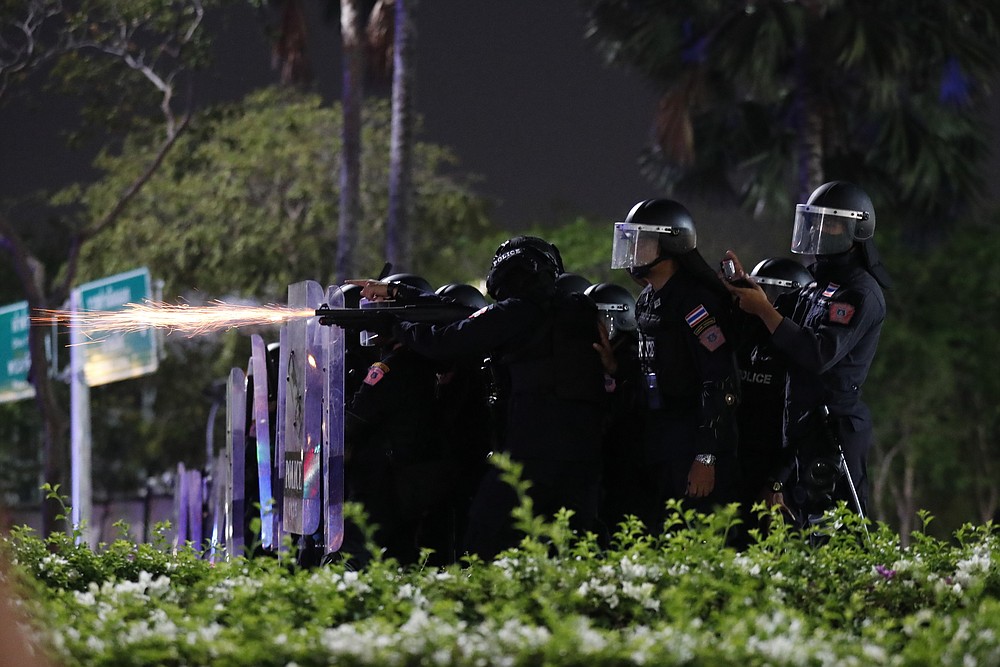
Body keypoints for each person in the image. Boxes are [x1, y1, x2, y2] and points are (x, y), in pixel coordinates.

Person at [352, 237, 609, 559]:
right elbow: (471, 317)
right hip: (581, 453)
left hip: (531, 453)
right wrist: (398, 294)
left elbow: (448, 340)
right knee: (578, 545)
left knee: (483, 540)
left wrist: (395, 325)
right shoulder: (574, 309)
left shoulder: (518, 312)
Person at [724, 181, 891, 525]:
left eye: (829, 223)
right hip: (799, 425)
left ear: (855, 228)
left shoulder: (860, 292)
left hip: (833, 430)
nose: (818, 230)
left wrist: (764, 311)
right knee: (798, 531)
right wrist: (752, 296)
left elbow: (817, 354)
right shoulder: (815, 284)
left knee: (837, 530)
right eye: (814, 221)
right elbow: (776, 328)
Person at [610, 199, 741, 531]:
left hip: (690, 438)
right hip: (658, 437)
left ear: (670, 243)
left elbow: (720, 380)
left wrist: (705, 456)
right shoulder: (649, 297)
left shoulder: (695, 302)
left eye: (642, 239)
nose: (633, 247)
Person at [728, 257, 813, 527]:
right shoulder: (742, 339)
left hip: (778, 476)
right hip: (736, 464)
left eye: (777, 295)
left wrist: (778, 479)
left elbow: (804, 425)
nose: (766, 304)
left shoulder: (800, 353)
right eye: (763, 293)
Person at [583, 281, 645, 533]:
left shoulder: (634, 356)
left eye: (601, 320)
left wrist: (616, 371)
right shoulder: (587, 358)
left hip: (629, 465)